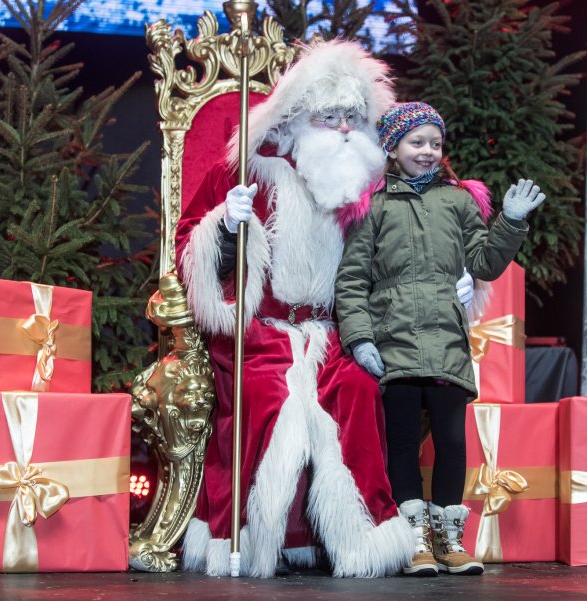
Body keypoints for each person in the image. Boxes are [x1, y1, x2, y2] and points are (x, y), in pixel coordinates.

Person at [174, 40, 429, 578]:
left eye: (352, 118)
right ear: (299, 118)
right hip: (262, 332)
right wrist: (225, 222)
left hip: (338, 332)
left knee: (358, 391)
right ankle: (256, 538)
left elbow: (404, 252)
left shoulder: (371, 186)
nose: (341, 129)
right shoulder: (249, 171)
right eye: (329, 116)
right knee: (265, 396)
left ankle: (358, 543)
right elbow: (189, 246)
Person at [335, 102, 546, 577]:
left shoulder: (459, 202)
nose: (428, 151)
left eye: (435, 143)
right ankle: (413, 542)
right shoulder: (374, 207)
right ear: (392, 147)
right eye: (417, 142)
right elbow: (351, 280)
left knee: (452, 441)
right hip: (394, 340)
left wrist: (509, 221)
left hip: (447, 341)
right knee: (404, 440)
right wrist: (360, 338)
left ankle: (450, 541)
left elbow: (485, 263)